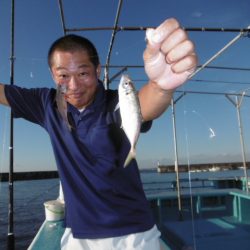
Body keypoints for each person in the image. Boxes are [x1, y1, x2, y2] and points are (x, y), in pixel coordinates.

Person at [0, 18, 197, 250]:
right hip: (78, 235)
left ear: (98, 70)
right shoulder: (47, 104)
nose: (73, 85)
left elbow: (144, 105)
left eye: (83, 73)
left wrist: (162, 86)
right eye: (63, 76)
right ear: (53, 75)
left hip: (136, 233)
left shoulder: (116, 102)